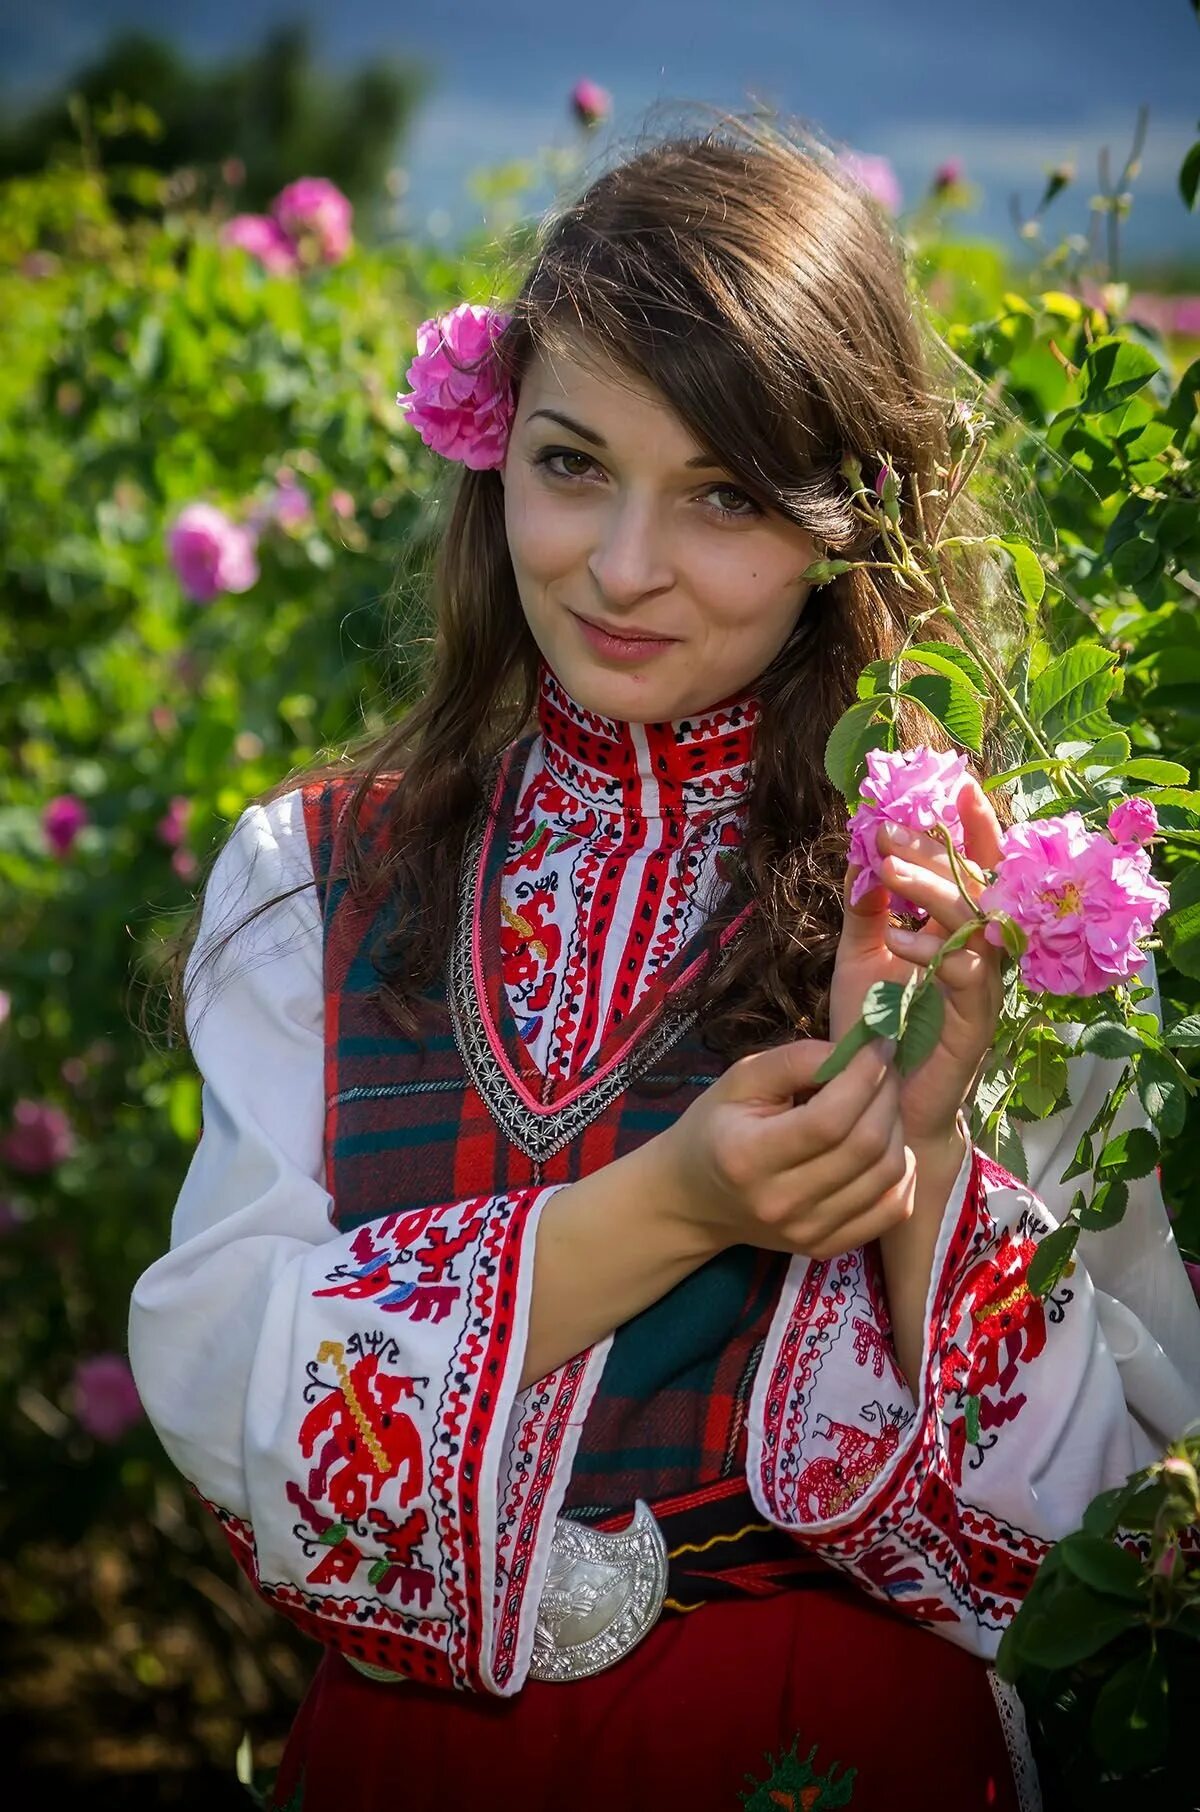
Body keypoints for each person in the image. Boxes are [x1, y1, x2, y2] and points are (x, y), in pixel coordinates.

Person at [129, 117, 1200, 1812]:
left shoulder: (998, 900)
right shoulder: (314, 878)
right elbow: (219, 1401)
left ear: (854, 520)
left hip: (838, 1757)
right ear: (497, 458)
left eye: (721, 495)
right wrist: (682, 1207)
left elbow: (1118, 1531)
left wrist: (920, 1171)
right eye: (571, 465)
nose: (620, 568)